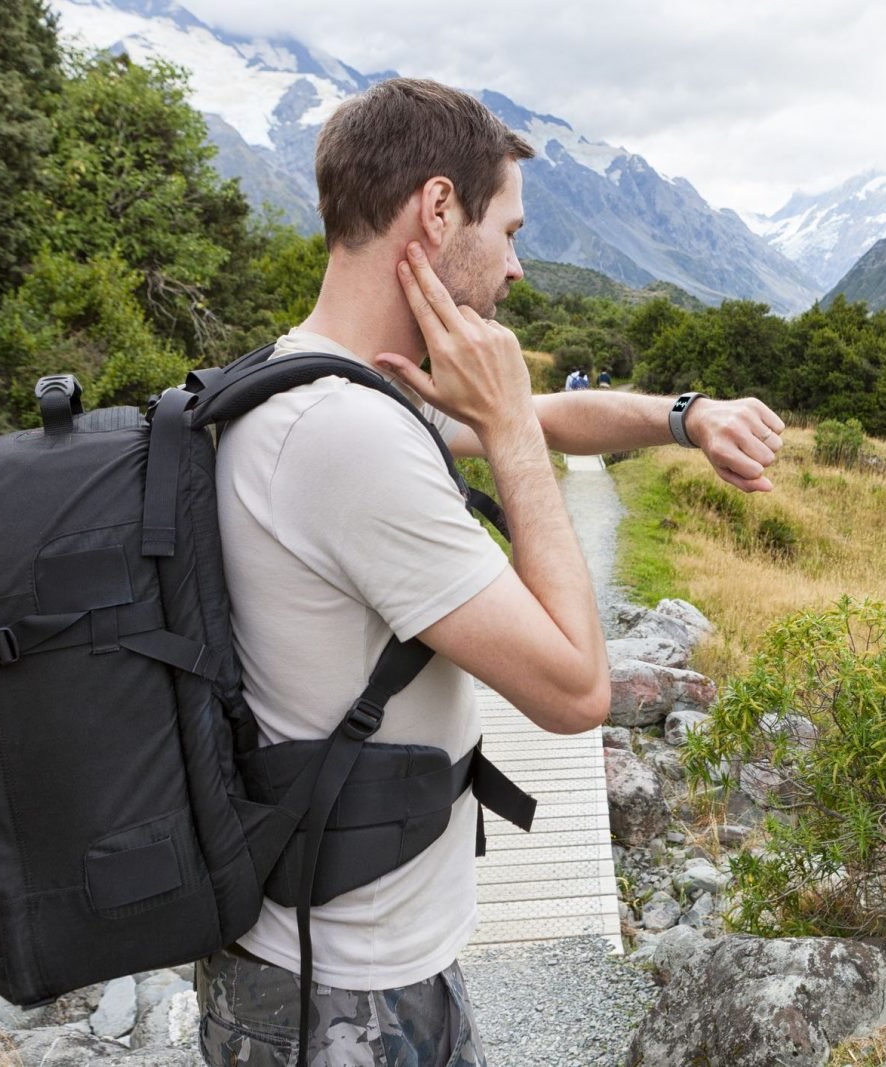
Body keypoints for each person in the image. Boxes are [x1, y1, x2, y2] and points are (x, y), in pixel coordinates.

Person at [202, 77, 785, 1067]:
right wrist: (510, 425)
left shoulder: (326, 379)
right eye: (507, 231)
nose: (516, 268)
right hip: (340, 991)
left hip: (360, 955)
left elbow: (559, 415)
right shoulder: (344, 437)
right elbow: (573, 688)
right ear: (436, 210)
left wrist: (688, 416)